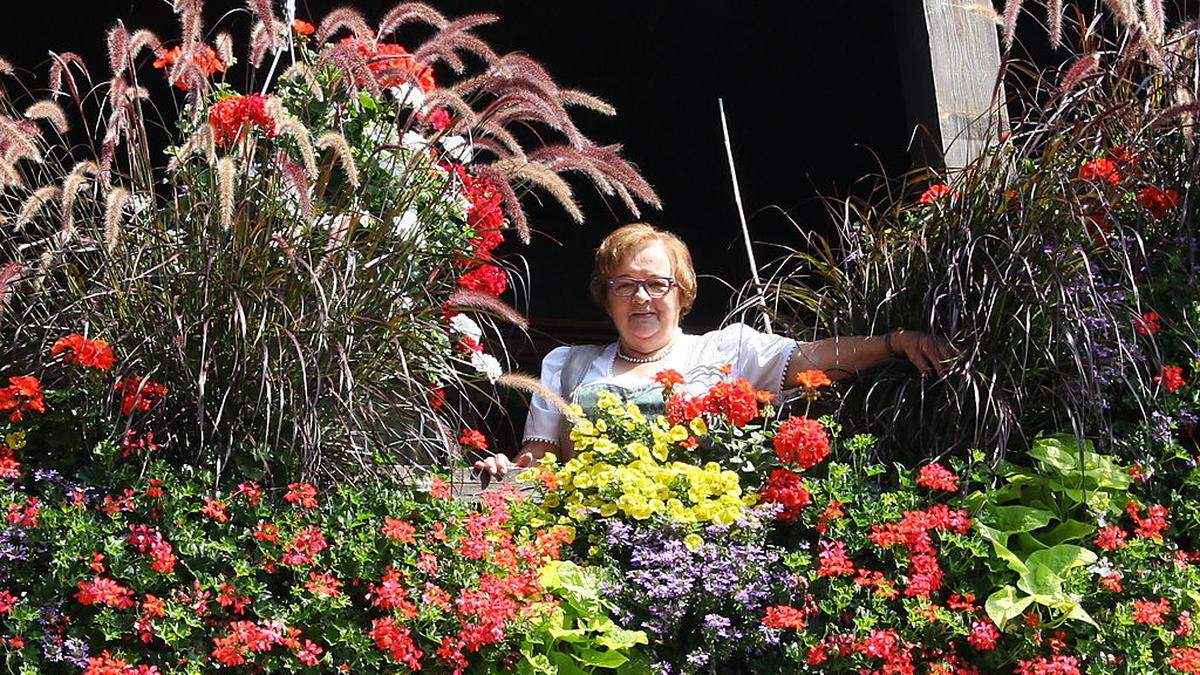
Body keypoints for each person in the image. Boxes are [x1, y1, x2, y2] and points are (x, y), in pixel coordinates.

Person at [475, 223, 954, 478]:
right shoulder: (565, 365)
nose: (641, 297)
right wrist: (506, 469)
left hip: (701, 551)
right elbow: (534, 464)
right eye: (625, 285)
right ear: (606, 297)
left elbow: (813, 358)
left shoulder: (727, 351)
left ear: (682, 294)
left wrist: (894, 343)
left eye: (657, 284)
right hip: (582, 548)